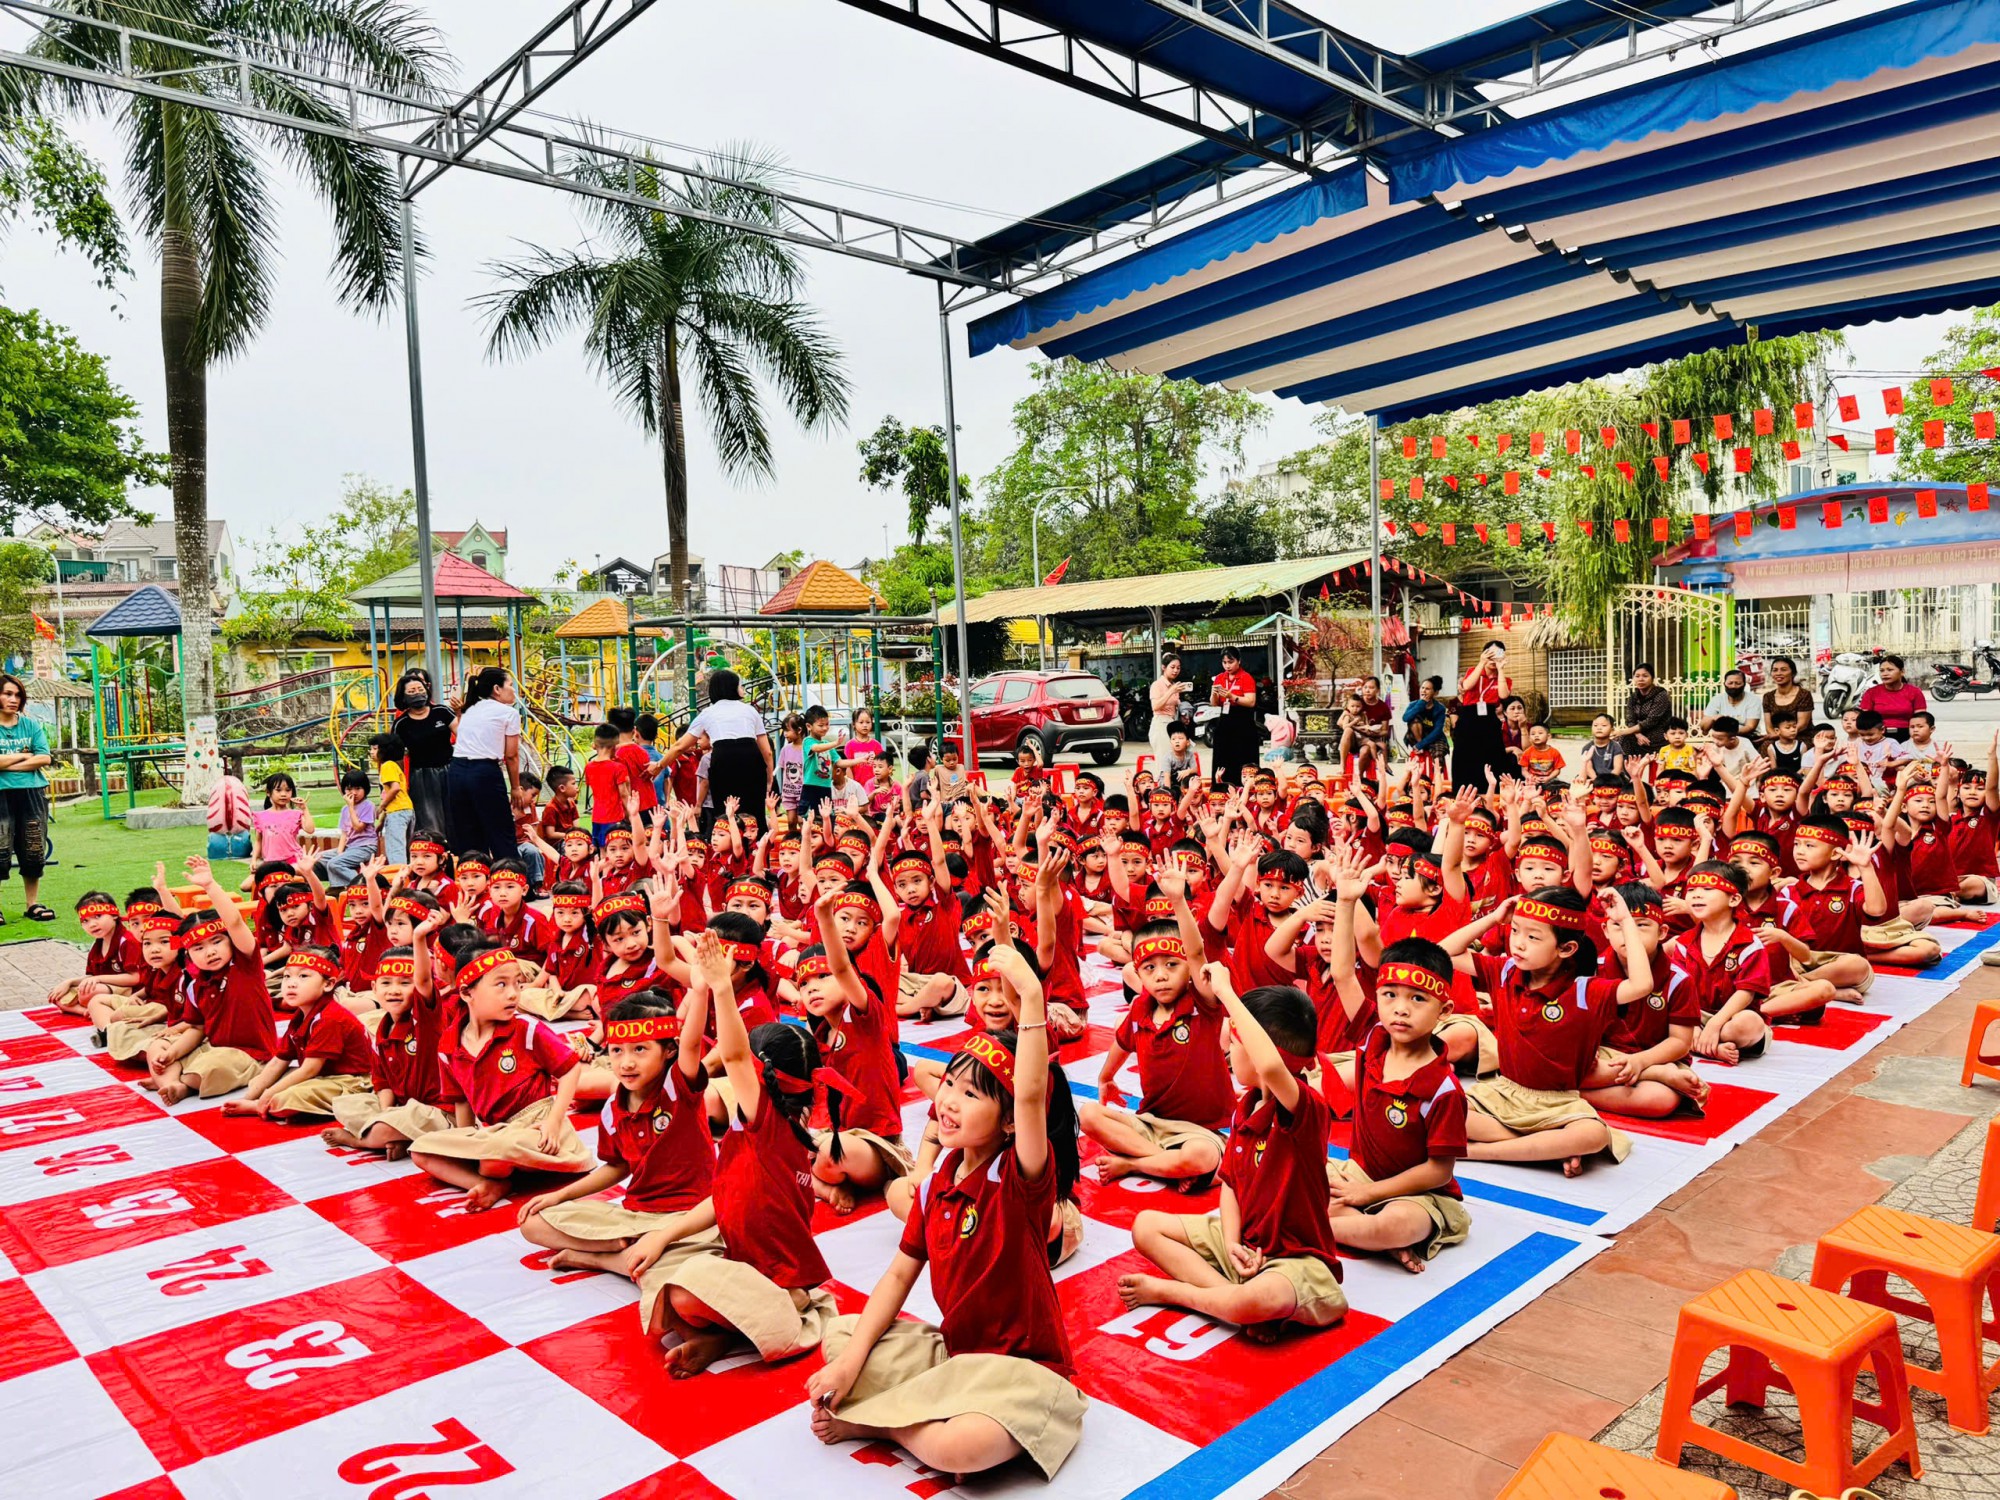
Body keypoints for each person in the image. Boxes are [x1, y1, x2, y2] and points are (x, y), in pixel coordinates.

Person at [807, 942, 1088, 1481]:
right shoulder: (937, 1181)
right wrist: (849, 1363)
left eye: (972, 1095)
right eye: (951, 1085)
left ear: (1009, 1121)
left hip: (1022, 1370)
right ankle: (920, 1411)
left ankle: (883, 1425)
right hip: (955, 1354)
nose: (950, 1102)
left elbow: (1032, 1095)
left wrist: (1031, 996)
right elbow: (898, 1276)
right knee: (842, 1338)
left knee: (963, 1448)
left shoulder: (1019, 1178)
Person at [1118, 970, 1348, 1337]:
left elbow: (1270, 1066)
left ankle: (1179, 1294)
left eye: (1236, 1044)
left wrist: (1226, 992)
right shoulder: (1247, 1106)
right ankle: (1233, 1300)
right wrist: (1230, 1243)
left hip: (1295, 1259)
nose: (1227, 1051)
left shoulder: (1306, 1108)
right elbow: (1230, 1184)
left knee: (1262, 1298)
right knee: (1145, 1226)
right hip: (1245, 1242)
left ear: (1256, 1053)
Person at [660, 668, 774, 839]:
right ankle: (758, 850)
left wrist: (658, 766)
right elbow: (767, 752)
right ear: (732, 688)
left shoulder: (708, 713)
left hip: (723, 759)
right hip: (750, 758)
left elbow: (679, 746)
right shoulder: (750, 711)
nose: (742, 689)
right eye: (739, 685)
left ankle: (726, 849)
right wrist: (769, 778)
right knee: (755, 812)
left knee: (725, 813)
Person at [446, 666, 522, 858]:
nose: (513, 690)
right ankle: (510, 872)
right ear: (497, 689)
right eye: (510, 685)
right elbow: (511, 755)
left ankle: (472, 872)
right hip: (484, 773)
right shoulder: (508, 713)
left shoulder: (469, 709)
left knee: (468, 833)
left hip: (456, 772)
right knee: (500, 831)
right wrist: (515, 787)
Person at [0, 674, 54, 922]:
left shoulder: (31, 725)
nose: (14, 699)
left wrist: (6, 764)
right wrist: (24, 756)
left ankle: (32, 905)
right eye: (8, 694)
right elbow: (34, 757)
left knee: (33, 849)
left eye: (18, 695)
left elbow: (44, 757)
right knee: (0, 849)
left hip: (31, 793)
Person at [390, 668, 455, 838]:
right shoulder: (401, 724)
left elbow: (464, 735)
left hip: (449, 771)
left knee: (455, 814)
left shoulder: (442, 712)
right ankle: (434, 849)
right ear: (403, 696)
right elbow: (395, 756)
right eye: (411, 691)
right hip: (421, 777)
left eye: (420, 689)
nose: (417, 694)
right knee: (429, 819)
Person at [1451, 641, 1511, 791]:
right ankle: (1463, 789)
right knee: (1464, 754)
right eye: (1490, 654)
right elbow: (1467, 686)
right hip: (1469, 716)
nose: (1493, 658)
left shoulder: (1504, 678)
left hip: (1489, 718)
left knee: (1492, 755)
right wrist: (1482, 662)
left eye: (1497, 654)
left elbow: (1503, 695)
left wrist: (1500, 669)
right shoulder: (1474, 671)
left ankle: (1491, 790)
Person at [315, 769, 379, 887]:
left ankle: (362, 884)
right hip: (349, 848)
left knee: (335, 863)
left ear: (365, 789)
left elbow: (358, 827)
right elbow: (344, 834)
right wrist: (339, 853)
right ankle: (337, 886)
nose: (353, 793)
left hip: (365, 847)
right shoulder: (344, 810)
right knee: (317, 858)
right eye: (349, 789)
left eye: (358, 788)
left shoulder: (368, 806)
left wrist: (351, 807)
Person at [1207, 646, 1259, 789]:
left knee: (1243, 755)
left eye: (1231, 662)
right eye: (1224, 662)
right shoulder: (1219, 677)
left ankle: (1244, 787)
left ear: (1239, 661)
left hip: (1242, 720)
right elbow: (1214, 703)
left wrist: (1232, 696)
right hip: (1225, 719)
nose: (1227, 666)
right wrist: (1213, 694)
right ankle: (1221, 787)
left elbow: (1251, 701)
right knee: (1222, 755)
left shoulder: (1246, 677)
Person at [251, 772, 314, 868]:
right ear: (268, 792)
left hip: (294, 860)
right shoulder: (260, 816)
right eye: (278, 790)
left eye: (288, 790)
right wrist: (253, 860)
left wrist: (304, 809)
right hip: (270, 862)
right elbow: (258, 841)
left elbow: (310, 829)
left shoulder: (295, 814)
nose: (283, 794)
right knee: (250, 879)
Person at [1615, 662, 1675, 760]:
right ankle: (1626, 768)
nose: (1641, 679)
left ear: (1652, 678)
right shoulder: (1633, 697)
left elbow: (1651, 721)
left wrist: (1624, 731)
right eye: (1637, 676)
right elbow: (1630, 720)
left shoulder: (1661, 695)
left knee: (1624, 735)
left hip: (1658, 736)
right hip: (1639, 736)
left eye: (1645, 676)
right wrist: (1638, 734)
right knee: (1624, 739)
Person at [1859, 654, 1926, 741]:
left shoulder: (1915, 692)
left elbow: (1921, 719)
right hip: (1878, 737)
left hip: (1908, 736)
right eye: (1882, 671)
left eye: (1890, 670)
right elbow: (1864, 720)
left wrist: (1914, 739)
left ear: (1902, 672)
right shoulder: (1871, 693)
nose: (1885, 674)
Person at [369, 733, 413, 864]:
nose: (371, 752)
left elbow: (395, 788)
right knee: (404, 849)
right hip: (406, 809)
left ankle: (398, 875)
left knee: (395, 851)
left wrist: (381, 806)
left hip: (397, 812)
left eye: (375, 748)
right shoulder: (394, 765)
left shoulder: (387, 766)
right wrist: (382, 821)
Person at [1148, 653, 1191, 770]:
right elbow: (1155, 706)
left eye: (1178, 668)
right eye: (1172, 667)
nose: (1175, 670)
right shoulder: (1157, 685)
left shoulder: (1174, 686)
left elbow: (1175, 707)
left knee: (1175, 760)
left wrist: (1183, 716)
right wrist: (1171, 691)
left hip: (1172, 723)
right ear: (1164, 667)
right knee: (1164, 762)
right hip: (1160, 724)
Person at [1760, 656, 1814, 741]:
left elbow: (1802, 725)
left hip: (1799, 737)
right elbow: (1769, 727)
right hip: (1776, 738)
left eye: (1783, 670)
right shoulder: (1768, 697)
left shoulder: (1804, 695)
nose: (1778, 673)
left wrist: (1782, 735)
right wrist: (1777, 738)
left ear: (1793, 673)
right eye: (1775, 670)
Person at [1403, 675, 1447, 774]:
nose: (1423, 691)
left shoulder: (1440, 708)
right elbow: (1405, 718)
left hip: (1434, 738)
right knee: (1414, 720)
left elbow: (1437, 731)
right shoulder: (1413, 704)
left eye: (1427, 689)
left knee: (1438, 757)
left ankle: (1436, 778)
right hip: (1416, 736)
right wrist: (1421, 703)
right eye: (1422, 688)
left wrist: (1422, 744)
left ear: (1435, 693)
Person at [1701, 668, 1762, 738]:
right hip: (1722, 739)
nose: (1733, 686)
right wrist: (1713, 718)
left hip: (1748, 738)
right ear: (1724, 684)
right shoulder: (1716, 700)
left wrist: (1726, 734)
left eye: (1738, 683)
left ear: (1744, 684)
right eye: (1730, 683)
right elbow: (1704, 728)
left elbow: (1750, 727)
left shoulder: (1753, 700)